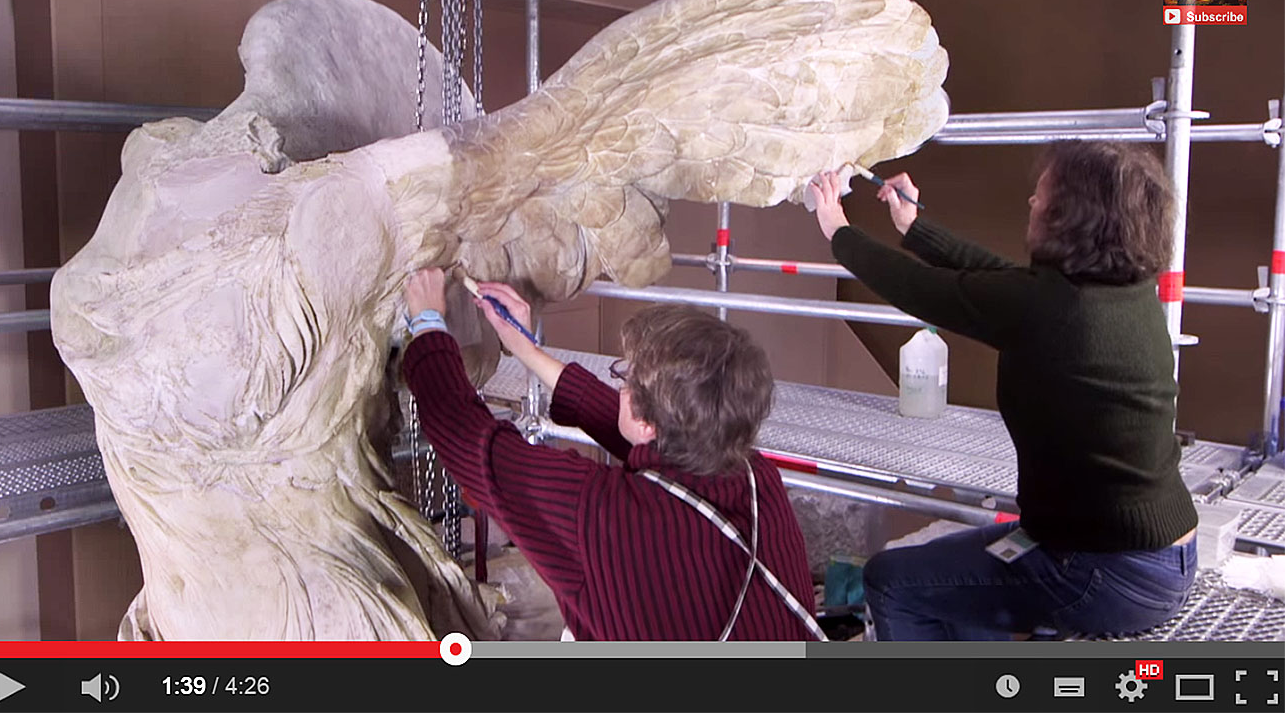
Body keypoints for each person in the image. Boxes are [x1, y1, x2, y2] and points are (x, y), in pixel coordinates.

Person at [806, 141, 1198, 640]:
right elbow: (997, 276)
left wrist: (838, 231)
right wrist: (913, 226)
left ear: (1072, 219)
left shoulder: (1054, 310)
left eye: (1043, 197)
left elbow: (924, 290)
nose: (1032, 204)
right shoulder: (1125, 291)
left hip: (1104, 572)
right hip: (1155, 556)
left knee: (891, 582)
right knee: (946, 580)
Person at [401, 269, 823, 640]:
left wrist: (428, 322)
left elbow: (468, 439)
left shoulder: (598, 514)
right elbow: (641, 431)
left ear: (645, 421)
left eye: (625, 376)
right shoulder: (755, 476)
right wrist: (525, 348)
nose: (619, 385)